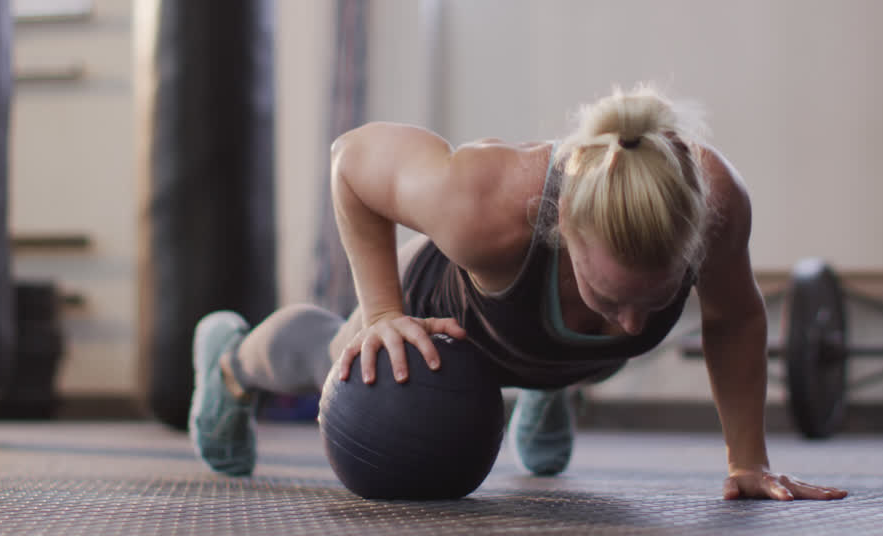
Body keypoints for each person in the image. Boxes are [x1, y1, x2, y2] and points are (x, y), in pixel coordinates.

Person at [188, 83, 848, 501]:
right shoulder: (484, 202)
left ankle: (545, 388)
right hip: (439, 312)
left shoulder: (714, 202)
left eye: (653, 299)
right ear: (563, 224)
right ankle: (232, 361)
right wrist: (384, 312)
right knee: (335, 352)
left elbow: (734, 320)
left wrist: (747, 460)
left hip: (534, 339)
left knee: (585, 329)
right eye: (605, 293)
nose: (626, 327)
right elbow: (351, 161)